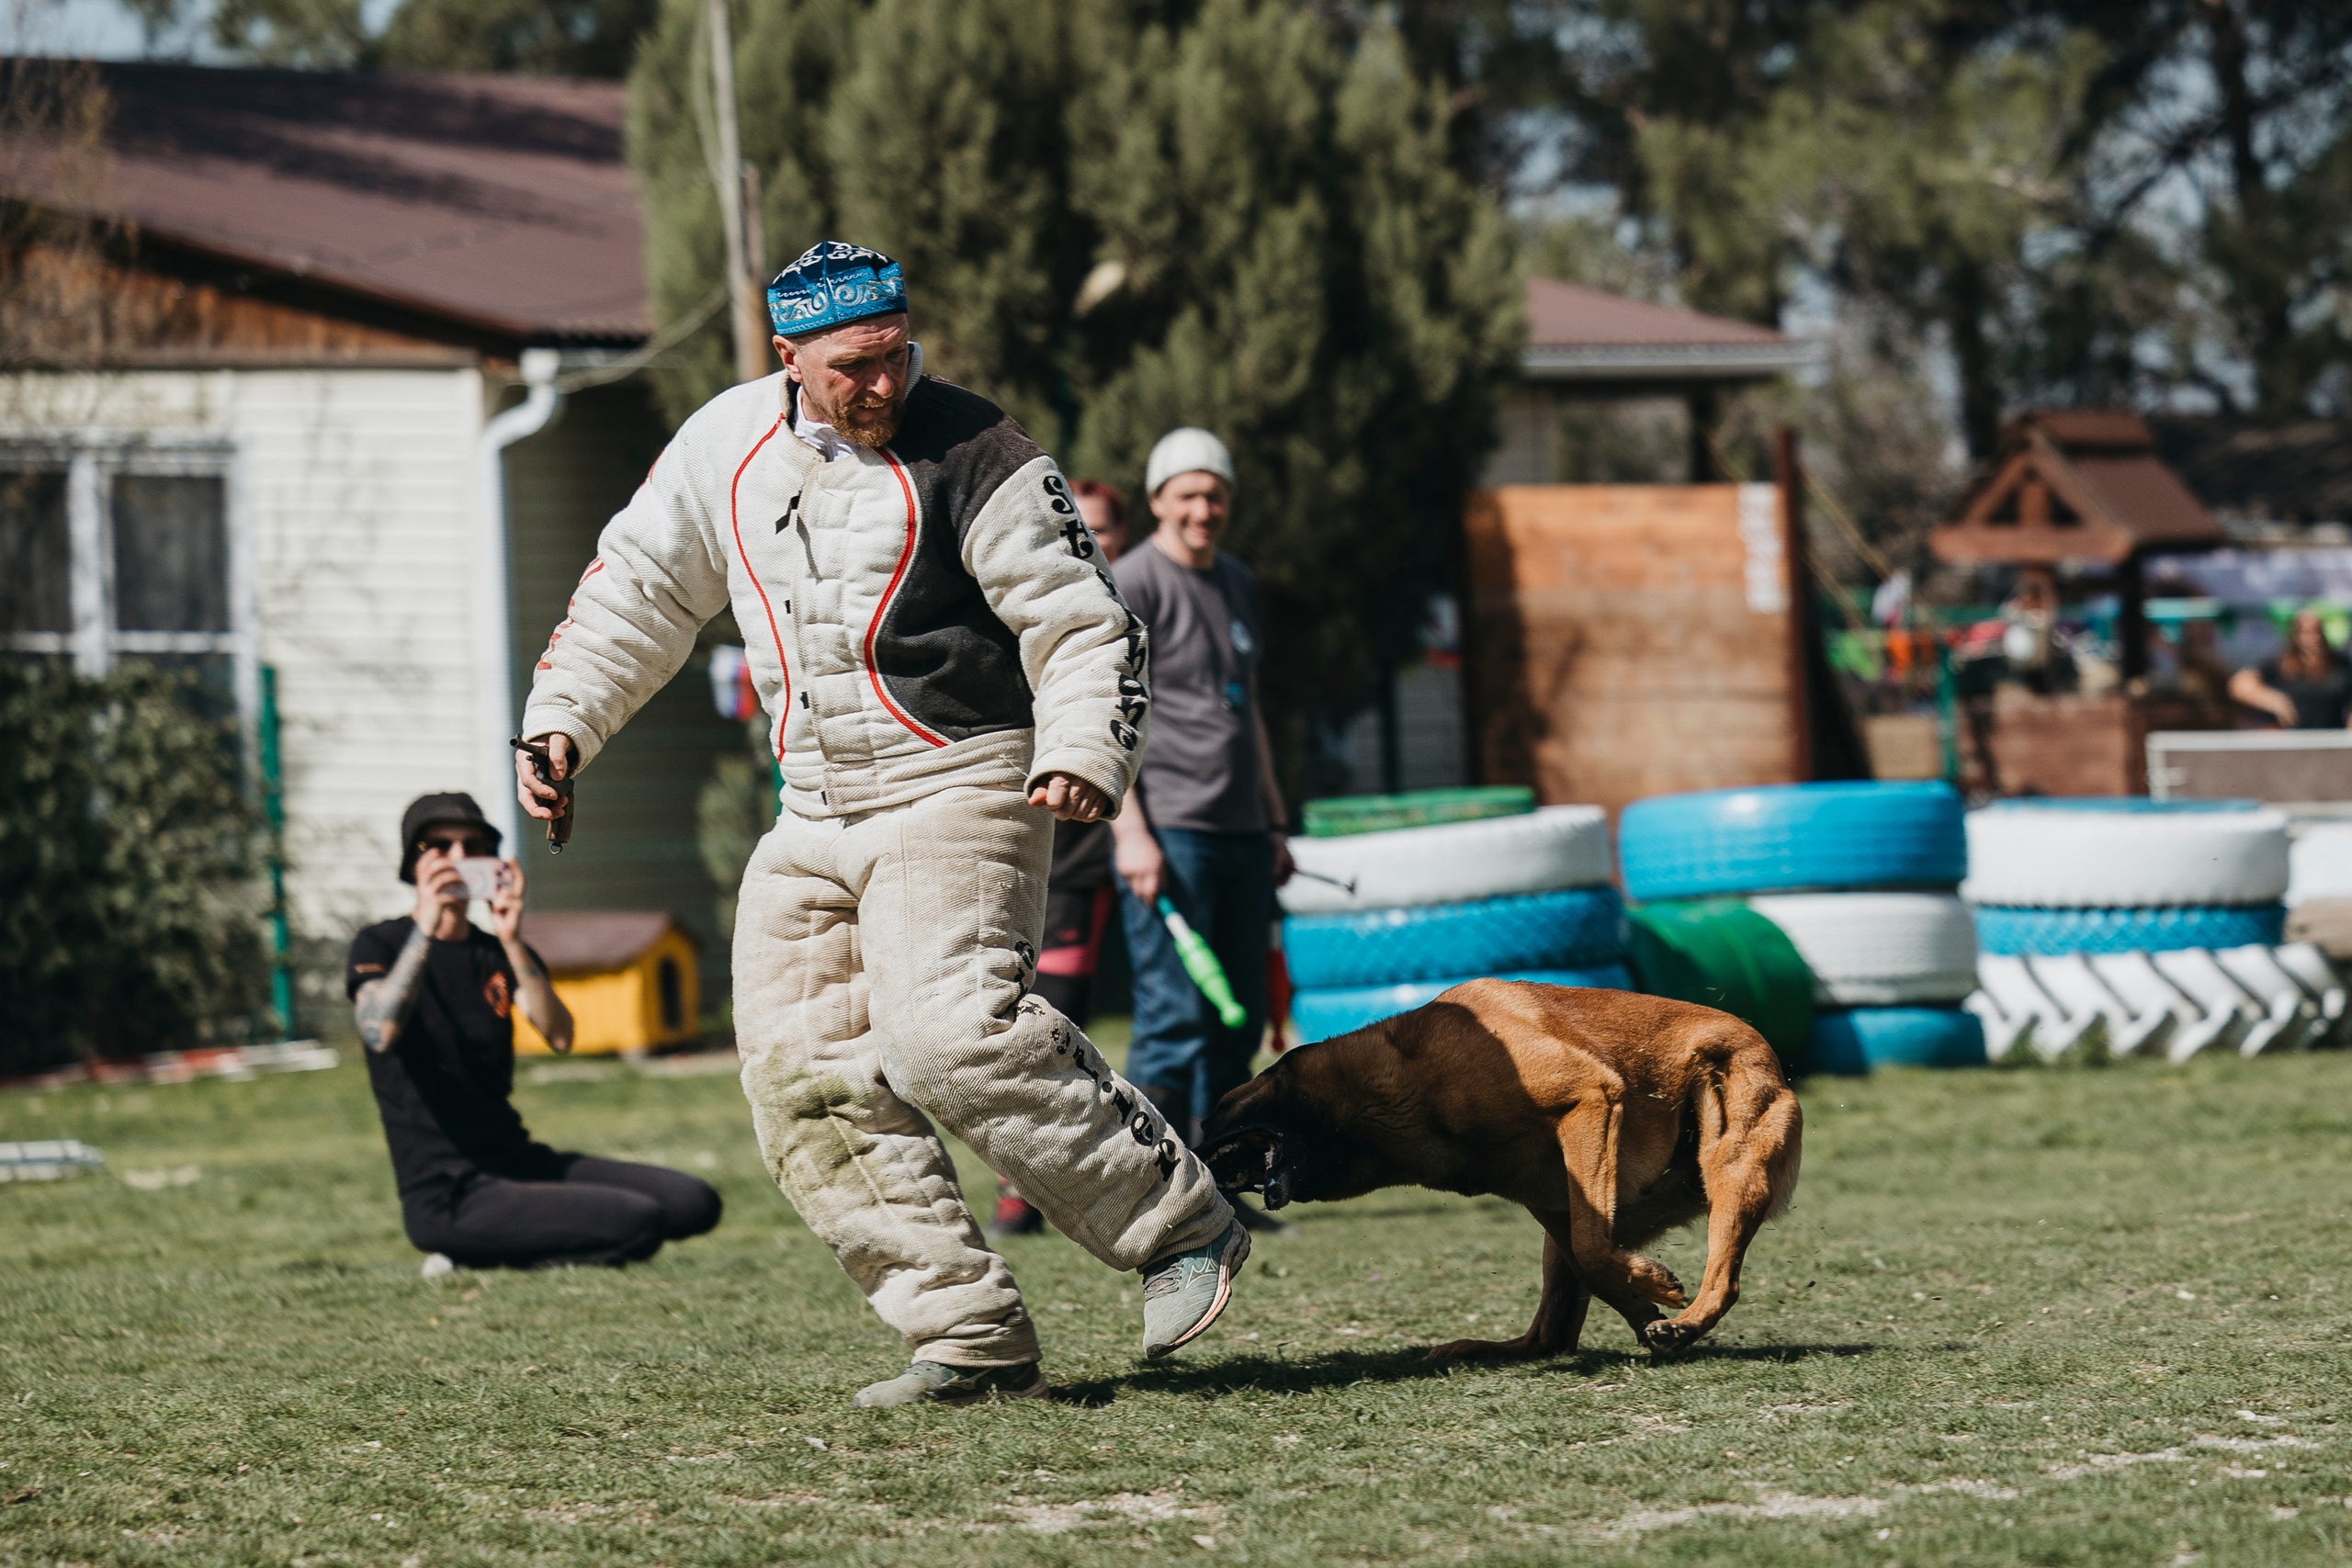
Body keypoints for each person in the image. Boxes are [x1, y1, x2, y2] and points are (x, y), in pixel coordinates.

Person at [513, 243, 1246, 1409]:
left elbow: (1084, 622)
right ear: (787, 356)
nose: (886, 385)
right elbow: (636, 591)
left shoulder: (982, 450)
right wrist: (558, 728)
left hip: (961, 773)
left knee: (944, 1032)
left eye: (899, 355)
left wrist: (1083, 752)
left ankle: (1180, 1223)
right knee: (800, 1078)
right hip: (812, 804)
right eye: (856, 366)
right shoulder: (720, 451)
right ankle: (965, 1333)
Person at [346, 793, 722, 1277]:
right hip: (447, 1191)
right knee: (639, 1222)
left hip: (516, 1159)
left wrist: (510, 937)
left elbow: (560, 1035)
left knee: (693, 1201)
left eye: (473, 845)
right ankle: (470, 1250)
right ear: (413, 861)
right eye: (438, 846)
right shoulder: (381, 943)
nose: (458, 858)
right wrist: (427, 927)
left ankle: (501, 1237)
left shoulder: (496, 952)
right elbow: (379, 1031)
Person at [1108, 428, 1294, 1190]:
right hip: (1169, 833)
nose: (1202, 507)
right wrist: (1132, 832)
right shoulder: (1132, 582)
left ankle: (1220, 1188)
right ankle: (1142, 1188)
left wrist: (1275, 818)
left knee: (1237, 1020)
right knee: (1173, 1017)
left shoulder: (1238, 583)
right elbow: (1105, 709)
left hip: (1242, 831)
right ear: (1157, 501)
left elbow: (1247, 713)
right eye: (1186, 493)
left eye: (1214, 493)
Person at [989, 480, 1127, 1239]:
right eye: (1085, 528)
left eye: (1105, 529)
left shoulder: (1117, 623)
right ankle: (1020, 1182)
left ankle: (1053, 1181)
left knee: (1064, 1021)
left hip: (1086, 858)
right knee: (1013, 1021)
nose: (1092, 542)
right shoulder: (1023, 601)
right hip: (1015, 844)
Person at [2230, 606, 2352, 729]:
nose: (2315, 638)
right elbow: (2239, 684)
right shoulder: (2281, 663)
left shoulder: (2341, 664)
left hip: (2332, 738)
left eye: (2318, 630)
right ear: (2296, 634)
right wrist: (2273, 700)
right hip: (2291, 740)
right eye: (2308, 632)